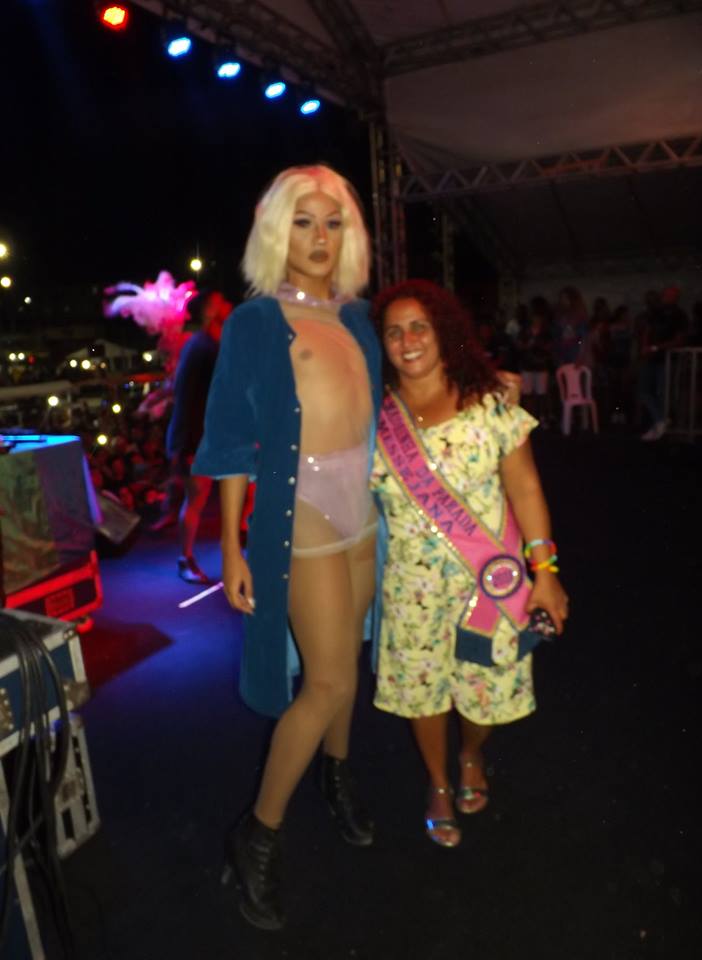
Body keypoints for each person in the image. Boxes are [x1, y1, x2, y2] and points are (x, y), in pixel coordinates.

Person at [193, 165, 382, 930]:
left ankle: (335, 776)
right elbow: (229, 438)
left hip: (363, 506)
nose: (319, 238)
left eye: (333, 223)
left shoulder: (358, 317)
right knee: (328, 682)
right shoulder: (256, 322)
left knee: (350, 662)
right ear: (278, 232)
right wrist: (232, 545)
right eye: (303, 222)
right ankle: (258, 836)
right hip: (300, 506)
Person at [369, 279, 568, 848]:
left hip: (489, 585)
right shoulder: (374, 422)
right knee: (423, 695)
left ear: (443, 332)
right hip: (412, 589)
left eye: (419, 327)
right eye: (393, 332)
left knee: (485, 695)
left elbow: (526, 489)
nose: (407, 341)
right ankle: (437, 781)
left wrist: (546, 573)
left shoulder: (489, 404)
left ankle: (471, 754)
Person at [153, 290, 232, 583]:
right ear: (210, 312)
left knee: (244, 486)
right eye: (220, 302)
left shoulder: (205, 344)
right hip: (195, 438)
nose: (228, 305)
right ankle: (185, 559)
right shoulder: (205, 348)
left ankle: (240, 540)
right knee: (196, 499)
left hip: (203, 436)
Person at [638, 285, 687, 441]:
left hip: (666, 358)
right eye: (664, 294)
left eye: (668, 295)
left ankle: (659, 423)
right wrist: (645, 347)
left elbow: (679, 340)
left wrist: (656, 347)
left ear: (675, 297)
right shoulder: (656, 312)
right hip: (652, 358)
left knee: (661, 392)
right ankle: (660, 420)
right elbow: (647, 330)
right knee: (644, 390)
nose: (665, 297)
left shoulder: (679, 315)